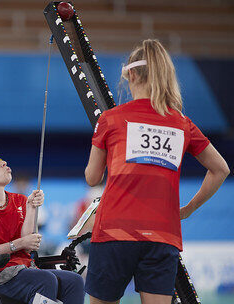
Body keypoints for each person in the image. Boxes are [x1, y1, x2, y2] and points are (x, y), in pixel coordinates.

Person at [84, 39, 230, 304]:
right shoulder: (183, 123)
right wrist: (188, 209)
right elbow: (221, 169)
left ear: (133, 74)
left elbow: (92, 178)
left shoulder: (111, 118)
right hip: (163, 235)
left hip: (115, 232)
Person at [0, 147, 84, 304]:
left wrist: (31, 208)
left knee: (75, 281)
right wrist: (18, 244)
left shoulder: (21, 200)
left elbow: (28, 247)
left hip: (24, 269)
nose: (3, 163)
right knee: (45, 280)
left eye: (0, 159)